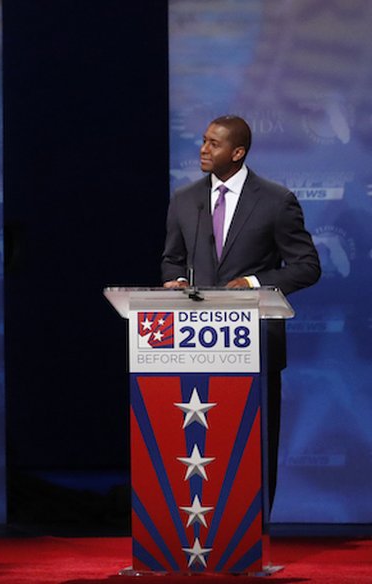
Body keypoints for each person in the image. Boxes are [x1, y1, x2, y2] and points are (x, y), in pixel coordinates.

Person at [160, 114, 321, 511]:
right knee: (199, 446)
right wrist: (175, 282)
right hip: (194, 344)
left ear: (237, 152)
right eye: (202, 141)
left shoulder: (275, 200)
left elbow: (307, 266)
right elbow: (171, 260)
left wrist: (252, 283)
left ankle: (254, 529)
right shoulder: (184, 200)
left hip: (255, 346)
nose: (203, 149)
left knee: (252, 445)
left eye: (214, 143)